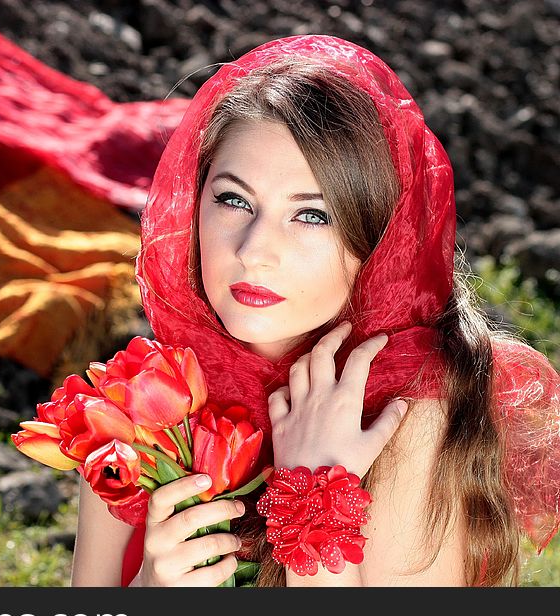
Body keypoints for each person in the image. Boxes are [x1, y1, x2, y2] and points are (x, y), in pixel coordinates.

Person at [70, 35, 560, 587]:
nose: (254, 250)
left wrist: (315, 491)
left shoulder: (405, 415)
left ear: (379, 239)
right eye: (234, 200)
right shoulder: (141, 403)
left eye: (312, 216)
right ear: (192, 201)